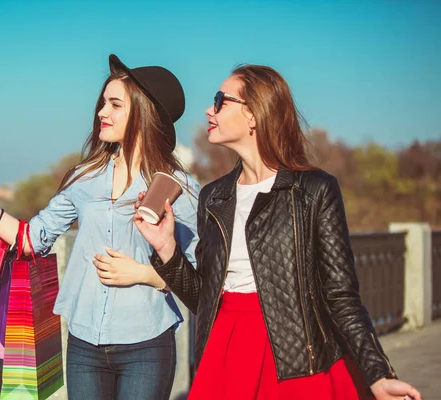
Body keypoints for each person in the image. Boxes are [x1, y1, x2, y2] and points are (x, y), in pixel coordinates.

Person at [135, 64, 422, 400]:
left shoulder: (314, 190)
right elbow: (205, 299)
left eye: (220, 100)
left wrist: (378, 373)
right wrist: (166, 247)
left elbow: (341, 296)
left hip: (297, 359)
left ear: (254, 113)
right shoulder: (214, 196)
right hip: (225, 354)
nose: (208, 110)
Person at [0, 54, 199, 400]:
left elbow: (198, 275)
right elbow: (32, 239)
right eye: (103, 103)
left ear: (143, 113)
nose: (102, 112)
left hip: (146, 344)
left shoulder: (179, 186)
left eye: (115, 104)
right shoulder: (83, 178)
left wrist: (144, 273)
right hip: (83, 345)